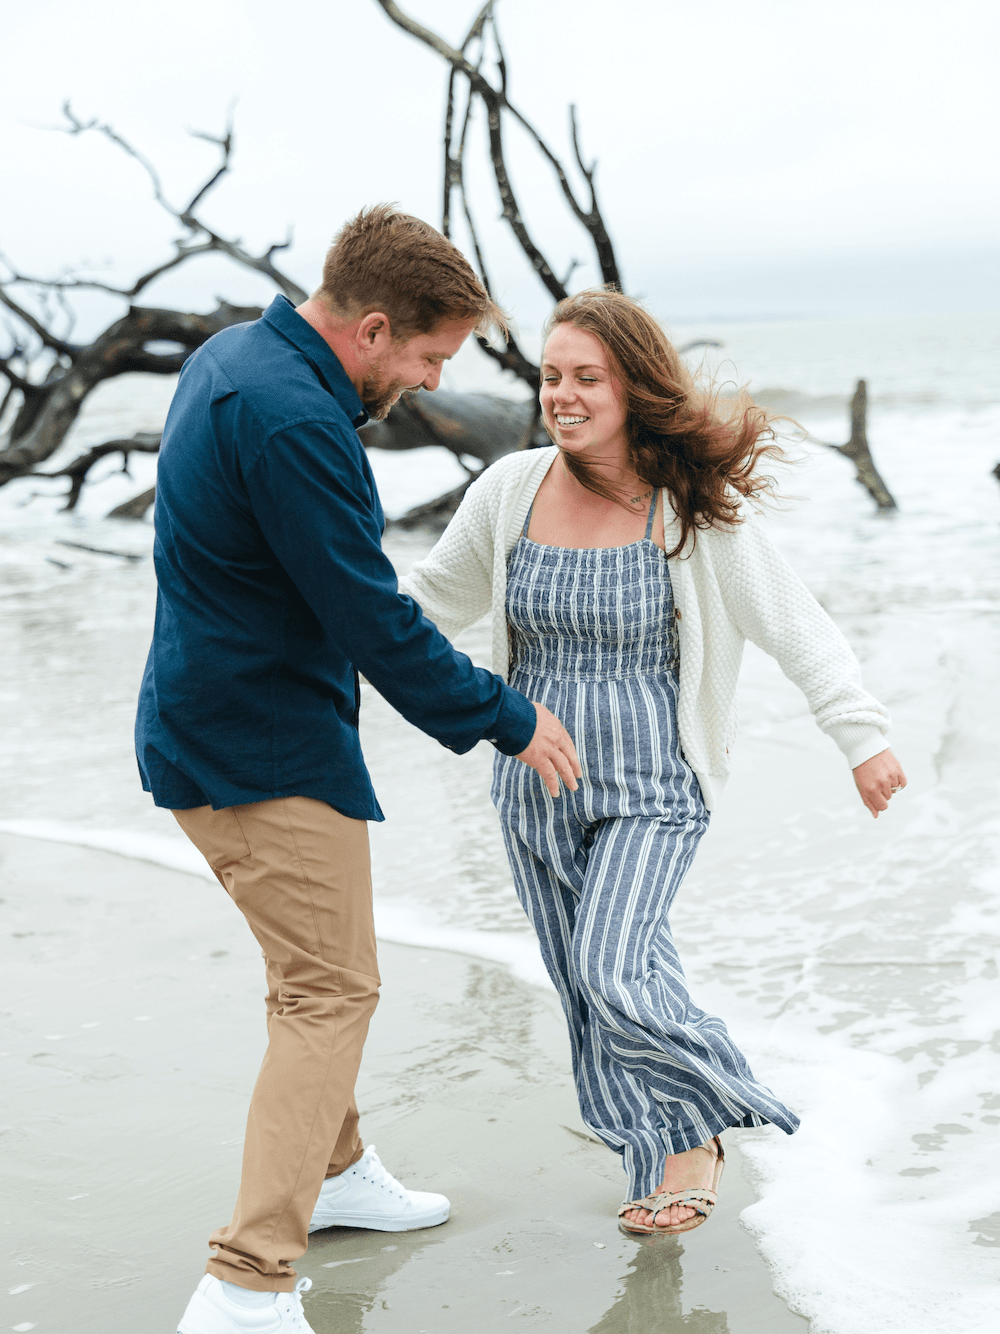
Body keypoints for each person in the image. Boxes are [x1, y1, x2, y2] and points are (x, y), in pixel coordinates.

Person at [135, 205, 580, 1334]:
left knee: (310, 977)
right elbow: (371, 618)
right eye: (429, 357)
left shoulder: (231, 355)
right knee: (331, 992)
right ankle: (245, 1280)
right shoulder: (295, 421)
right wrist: (506, 714)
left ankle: (335, 1175)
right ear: (373, 328)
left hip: (206, 720)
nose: (425, 379)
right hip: (261, 748)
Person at [399, 287, 907, 1238]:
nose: (564, 394)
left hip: (656, 790)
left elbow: (794, 624)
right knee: (586, 987)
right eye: (552, 377)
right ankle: (664, 1150)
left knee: (611, 965)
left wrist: (861, 735)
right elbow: (424, 607)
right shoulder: (508, 492)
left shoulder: (692, 512)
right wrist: (324, 652)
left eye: (586, 377)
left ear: (633, 388)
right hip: (532, 786)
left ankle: (716, 1109)